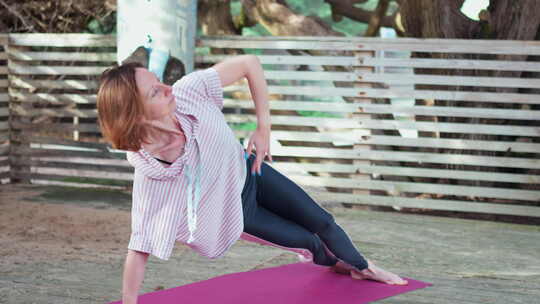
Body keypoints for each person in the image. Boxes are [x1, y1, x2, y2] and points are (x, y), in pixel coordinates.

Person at [97, 55, 407, 304]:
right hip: (237, 212)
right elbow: (139, 245)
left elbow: (250, 64)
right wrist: (129, 301)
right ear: (135, 115)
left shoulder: (189, 92)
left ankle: (364, 268)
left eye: (159, 82)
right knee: (309, 243)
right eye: (155, 91)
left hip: (251, 172)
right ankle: (340, 262)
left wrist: (263, 128)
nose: (168, 88)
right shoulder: (154, 174)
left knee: (323, 222)